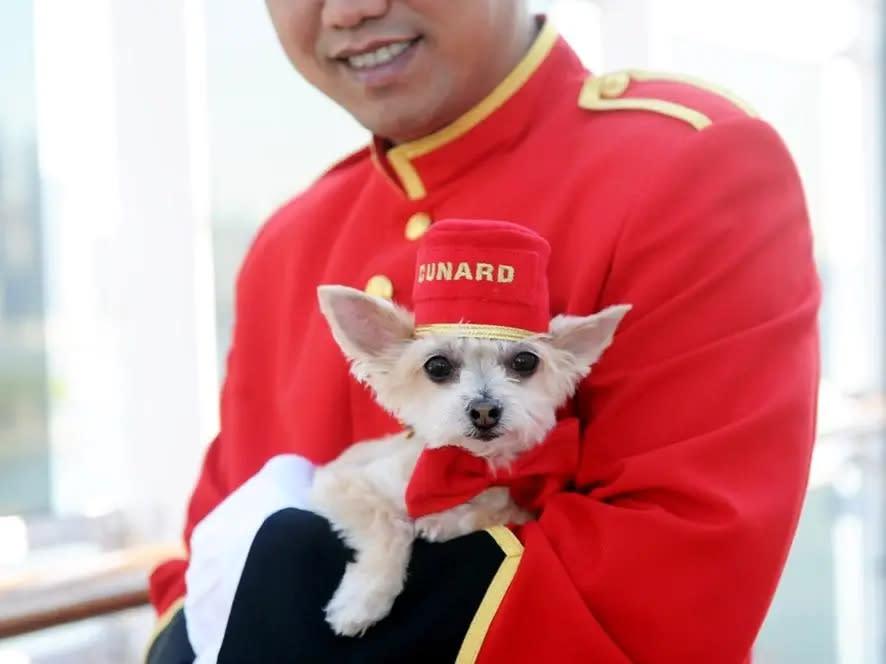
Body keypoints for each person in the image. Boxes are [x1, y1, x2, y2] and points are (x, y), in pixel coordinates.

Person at [145, 1, 821, 662]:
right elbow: (202, 560)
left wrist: (280, 589)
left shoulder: (689, 164)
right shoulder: (288, 243)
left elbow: (675, 583)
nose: (349, 10)